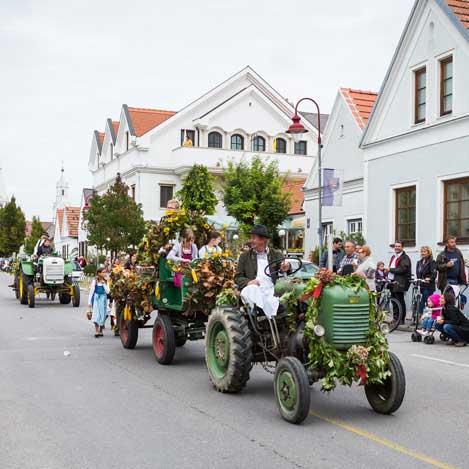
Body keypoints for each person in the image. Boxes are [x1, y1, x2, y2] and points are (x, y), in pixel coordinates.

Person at [235, 225, 290, 318]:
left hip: (271, 291)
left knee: (284, 297)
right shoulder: (244, 256)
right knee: (253, 290)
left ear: (263, 240)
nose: (251, 241)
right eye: (251, 238)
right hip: (253, 291)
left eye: (254, 238)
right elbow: (237, 277)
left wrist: (286, 267)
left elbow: (284, 267)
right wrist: (248, 282)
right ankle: (258, 312)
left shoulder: (276, 254)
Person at [436, 236, 467, 301]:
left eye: (454, 242)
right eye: (452, 242)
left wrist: (464, 279)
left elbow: (462, 265)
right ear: (447, 244)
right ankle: (445, 311)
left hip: (456, 280)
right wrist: (446, 265)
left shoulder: (458, 252)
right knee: (445, 300)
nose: (454, 243)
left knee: (454, 300)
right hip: (446, 281)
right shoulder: (442, 255)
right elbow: (437, 266)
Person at [88, 267, 110, 338]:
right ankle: (97, 331)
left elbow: (108, 291)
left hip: (103, 299)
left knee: (103, 315)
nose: (105, 273)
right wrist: (89, 302)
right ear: (99, 273)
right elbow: (91, 292)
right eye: (103, 272)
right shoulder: (95, 281)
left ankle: (101, 330)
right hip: (97, 299)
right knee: (96, 315)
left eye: (105, 272)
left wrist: (104, 284)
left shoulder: (106, 281)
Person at [416, 246, 437, 316]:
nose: (423, 253)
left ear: (428, 253)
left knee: (427, 301)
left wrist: (429, 279)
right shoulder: (419, 262)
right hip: (420, 285)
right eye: (422, 251)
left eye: (424, 251)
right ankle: (420, 316)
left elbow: (434, 274)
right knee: (419, 302)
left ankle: (429, 317)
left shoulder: (432, 262)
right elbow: (417, 274)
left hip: (428, 286)